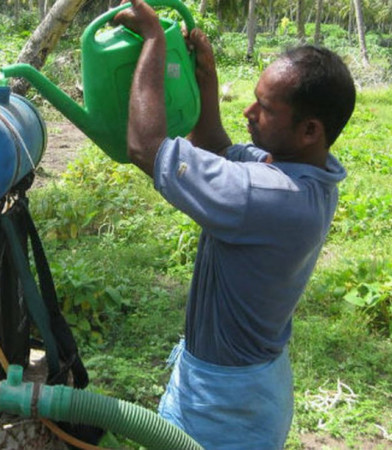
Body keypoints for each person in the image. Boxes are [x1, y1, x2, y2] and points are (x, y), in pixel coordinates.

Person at [114, 0, 356, 448]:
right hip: (251, 382)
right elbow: (216, 147)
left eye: (264, 107)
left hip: (224, 402)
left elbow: (146, 148)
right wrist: (207, 80)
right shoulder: (305, 172)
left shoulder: (267, 194)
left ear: (309, 130)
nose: (248, 112)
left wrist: (153, 43)